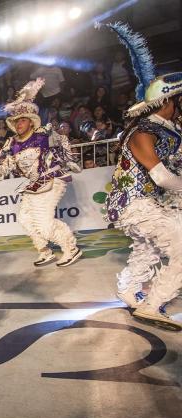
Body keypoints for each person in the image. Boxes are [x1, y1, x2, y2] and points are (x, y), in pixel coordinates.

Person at [104, 22, 182, 331]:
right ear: (167, 101)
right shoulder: (144, 131)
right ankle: (154, 303)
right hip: (136, 205)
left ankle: (128, 291)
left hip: (145, 205)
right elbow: (161, 177)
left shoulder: (164, 130)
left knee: (146, 251)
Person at [0, 78, 83, 267]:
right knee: (24, 218)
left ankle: (70, 248)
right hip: (33, 184)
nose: (18, 123)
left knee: (43, 224)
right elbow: (4, 165)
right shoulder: (11, 143)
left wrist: (70, 160)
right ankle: (44, 251)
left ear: (31, 122)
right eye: (16, 121)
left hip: (52, 179)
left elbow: (62, 139)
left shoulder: (42, 135)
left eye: (22, 120)